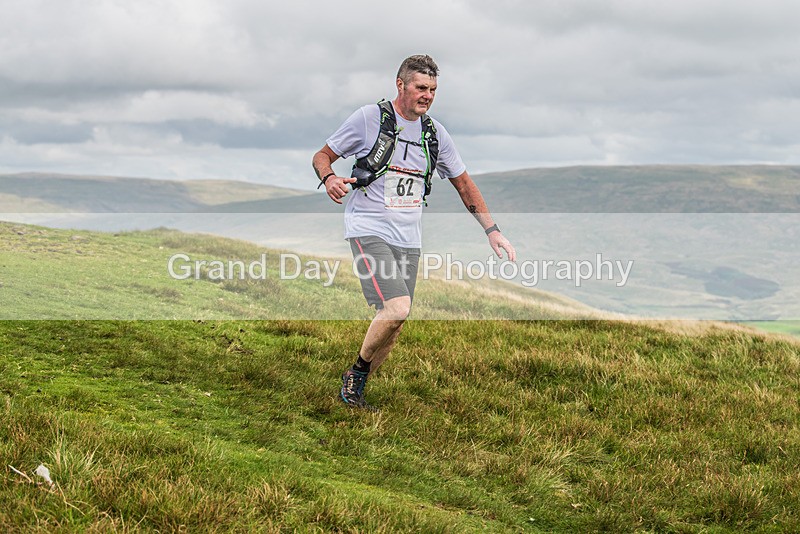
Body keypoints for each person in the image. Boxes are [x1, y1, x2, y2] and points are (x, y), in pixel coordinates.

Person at [312, 54, 516, 410]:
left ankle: (355, 392)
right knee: (398, 307)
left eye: (433, 90)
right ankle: (355, 375)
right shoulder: (369, 118)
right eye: (421, 88)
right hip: (368, 226)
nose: (428, 96)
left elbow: (464, 184)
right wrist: (329, 178)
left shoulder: (434, 134)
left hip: (408, 237)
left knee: (394, 323)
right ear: (400, 84)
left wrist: (492, 230)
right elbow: (322, 155)